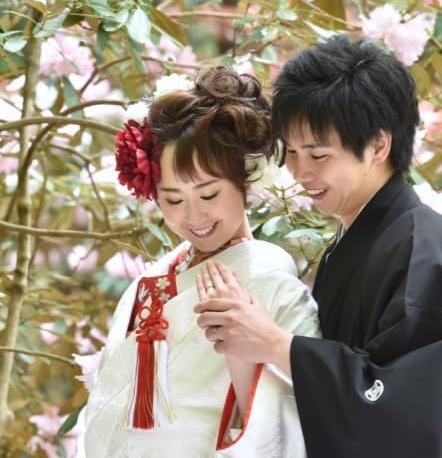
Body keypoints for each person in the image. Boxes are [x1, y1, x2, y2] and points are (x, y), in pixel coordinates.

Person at [194, 35, 442, 458]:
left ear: (379, 145)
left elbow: (404, 410)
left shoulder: (424, 251)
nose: (300, 171)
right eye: (291, 152)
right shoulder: (368, 239)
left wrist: (277, 344)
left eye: (318, 154)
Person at [76, 66, 319, 458]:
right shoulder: (152, 278)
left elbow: (293, 428)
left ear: (246, 177)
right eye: (173, 200)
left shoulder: (274, 285)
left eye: (208, 195)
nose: (194, 216)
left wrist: (243, 354)